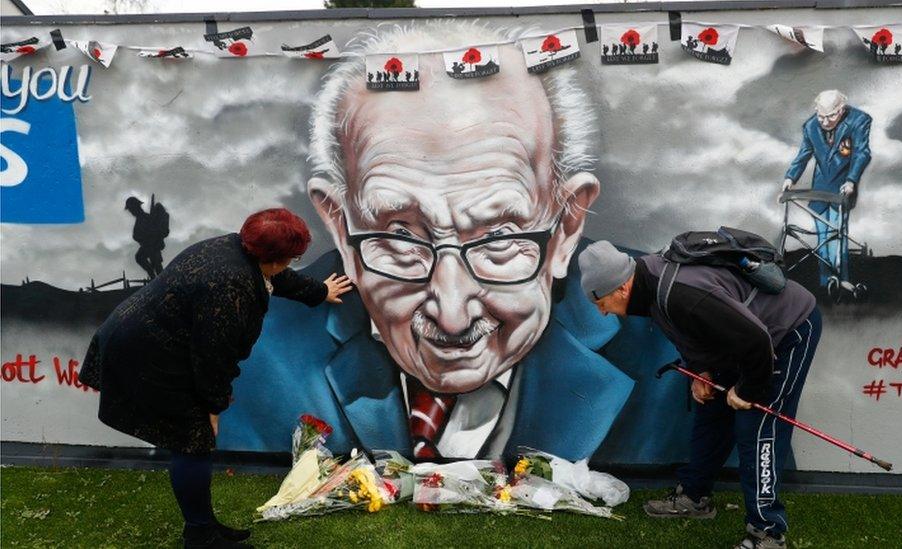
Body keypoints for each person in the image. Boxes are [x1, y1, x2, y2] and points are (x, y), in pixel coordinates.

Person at [219, 22, 692, 464]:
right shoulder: (261, 351)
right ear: (341, 227)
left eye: (500, 238)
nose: (451, 313)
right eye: (401, 236)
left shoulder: (666, 343)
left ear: (565, 226)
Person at [78, 208, 353, 549]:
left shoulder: (239, 249)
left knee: (193, 443)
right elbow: (213, 356)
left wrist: (317, 291)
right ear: (277, 257)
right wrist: (212, 407)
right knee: (192, 443)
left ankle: (202, 526)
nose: (292, 262)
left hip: (149, 339)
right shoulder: (230, 286)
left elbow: (274, 276)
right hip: (148, 355)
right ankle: (200, 536)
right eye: (292, 257)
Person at [578, 240, 821, 549]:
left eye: (600, 304)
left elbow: (757, 338)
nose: (601, 313)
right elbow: (689, 330)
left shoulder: (679, 292)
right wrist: (701, 370)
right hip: (743, 340)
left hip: (784, 332)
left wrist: (748, 389)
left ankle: (768, 532)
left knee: (757, 427)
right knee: (712, 411)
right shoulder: (649, 285)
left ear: (620, 289)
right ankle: (695, 498)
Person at [782, 90, 872, 288]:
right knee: (823, 235)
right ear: (816, 111)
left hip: (843, 186)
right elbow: (803, 154)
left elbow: (862, 153)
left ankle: (843, 279)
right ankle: (826, 283)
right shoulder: (810, 126)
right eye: (821, 116)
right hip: (821, 186)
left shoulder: (859, 120)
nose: (824, 121)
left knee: (838, 233)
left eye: (831, 116)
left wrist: (851, 180)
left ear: (841, 110)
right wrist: (790, 178)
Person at [125, 196, 167, 279]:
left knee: (155, 265)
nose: (131, 212)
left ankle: (158, 278)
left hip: (152, 246)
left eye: (131, 209)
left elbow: (155, 231)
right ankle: (153, 277)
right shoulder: (141, 219)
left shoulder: (145, 218)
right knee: (141, 258)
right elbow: (137, 235)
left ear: (135, 207)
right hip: (147, 246)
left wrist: (150, 236)